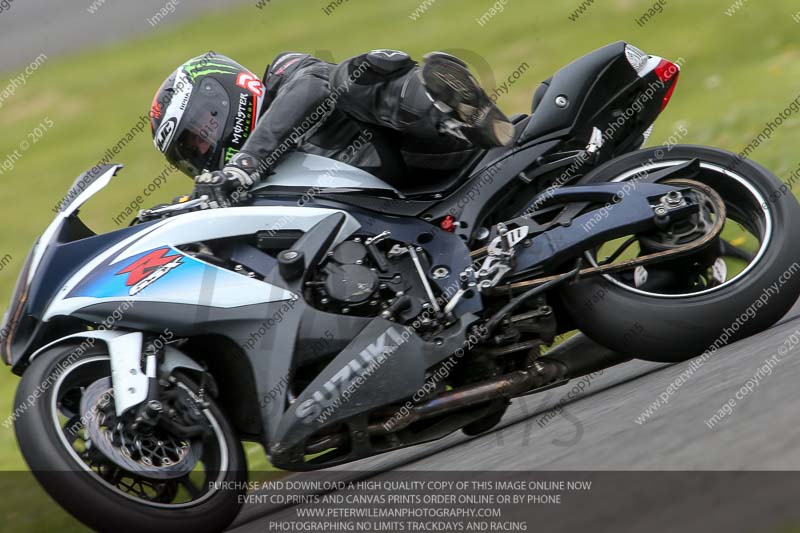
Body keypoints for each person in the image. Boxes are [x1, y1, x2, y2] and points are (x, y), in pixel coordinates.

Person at [149, 49, 514, 206]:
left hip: (431, 154)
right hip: (393, 216)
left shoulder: (284, 75)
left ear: (221, 101)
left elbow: (315, 84)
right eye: (187, 157)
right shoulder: (240, 196)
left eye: (195, 141)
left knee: (352, 77)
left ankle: (451, 107)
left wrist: (244, 165)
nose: (199, 156)